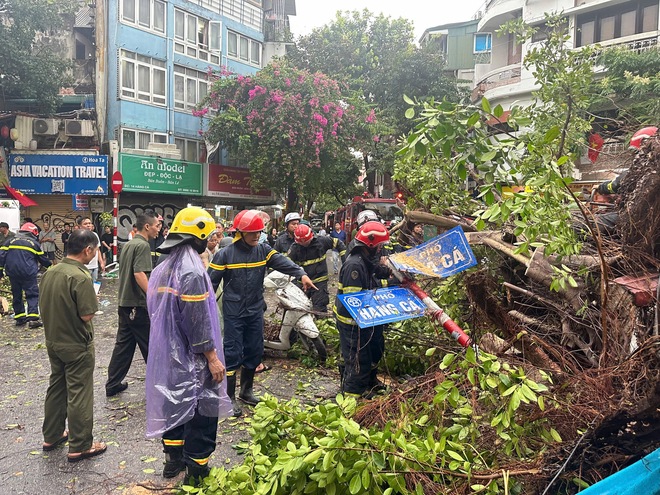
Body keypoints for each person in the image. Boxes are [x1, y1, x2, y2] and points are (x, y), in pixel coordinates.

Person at [146, 207, 233, 483]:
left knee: (175, 405)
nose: (211, 241)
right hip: (193, 357)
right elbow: (198, 321)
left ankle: (172, 463)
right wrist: (212, 357)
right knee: (203, 413)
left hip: (170, 355)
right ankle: (197, 472)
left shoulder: (163, 268)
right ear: (197, 235)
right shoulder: (192, 271)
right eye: (208, 236)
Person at [208, 210, 316, 417]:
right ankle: (228, 397)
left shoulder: (263, 250)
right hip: (234, 312)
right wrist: (203, 307)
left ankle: (246, 392)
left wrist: (301, 274)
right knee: (232, 353)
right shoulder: (225, 254)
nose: (256, 236)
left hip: (255, 310)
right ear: (239, 232)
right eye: (252, 233)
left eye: (259, 232)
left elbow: (283, 263)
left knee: (255, 349)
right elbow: (209, 282)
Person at [40, 229, 107, 463]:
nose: (95, 254)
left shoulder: (51, 271)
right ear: (88, 250)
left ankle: (52, 435)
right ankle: (80, 445)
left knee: (57, 387)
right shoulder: (81, 277)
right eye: (95, 250)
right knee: (79, 392)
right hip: (77, 344)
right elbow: (87, 314)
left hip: (54, 341)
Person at [334, 221, 393, 398]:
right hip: (353, 323)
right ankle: (351, 400)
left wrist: (391, 274)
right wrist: (389, 286)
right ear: (371, 244)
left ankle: (370, 382)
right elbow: (356, 300)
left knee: (375, 350)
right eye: (380, 245)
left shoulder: (366, 260)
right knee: (358, 362)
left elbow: (376, 272)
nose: (381, 248)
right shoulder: (355, 266)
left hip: (368, 319)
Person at [105, 212, 160, 397]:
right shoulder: (143, 245)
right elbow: (139, 274)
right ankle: (160, 387)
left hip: (124, 304)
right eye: (156, 226)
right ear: (147, 226)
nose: (158, 229)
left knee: (124, 346)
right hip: (137, 305)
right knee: (150, 346)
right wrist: (153, 296)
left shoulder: (129, 244)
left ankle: (113, 383)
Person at [0, 222, 52, 327]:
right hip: (28, 273)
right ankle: (33, 319)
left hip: (13, 273)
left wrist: (0, 271)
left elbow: (1, 257)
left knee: (17, 294)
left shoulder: (9, 241)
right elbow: (43, 260)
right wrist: (51, 267)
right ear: (34, 233)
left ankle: (20, 318)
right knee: (32, 294)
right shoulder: (33, 244)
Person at [287, 223, 346, 313]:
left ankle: (321, 324)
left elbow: (339, 243)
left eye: (306, 242)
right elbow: (288, 265)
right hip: (303, 283)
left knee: (320, 309)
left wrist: (345, 263)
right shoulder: (294, 248)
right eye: (302, 243)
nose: (304, 244)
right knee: (299, 309)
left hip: (319, 282)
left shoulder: (322, 241)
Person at [78, 217, 105, 281]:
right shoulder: (78, 236)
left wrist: (101, 262)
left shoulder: (95, 235)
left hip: (94, 266)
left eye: (90, 223)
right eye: (85, 224)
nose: (88, 225)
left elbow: (97, 249)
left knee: (94, 285)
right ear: (80, 226)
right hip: (84, 267)